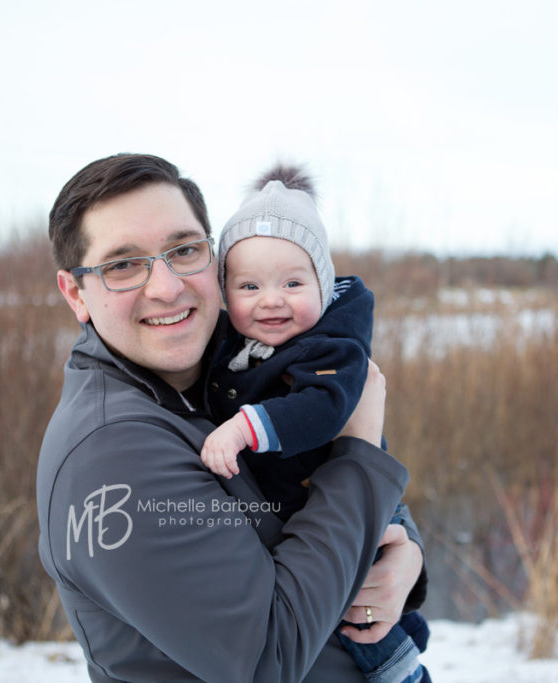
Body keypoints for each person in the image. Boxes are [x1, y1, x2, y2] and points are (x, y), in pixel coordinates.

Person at [36, 153, 427, 682]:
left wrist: (403, 559)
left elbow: (317, 486)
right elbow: (267, 658)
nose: (167, 286)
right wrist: (360, 458)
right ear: (75, 292)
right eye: (122, 265)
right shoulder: (110, 455)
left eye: (184, 249)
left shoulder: (234, 361)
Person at [200, 164, 430, 683]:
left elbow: (322, 409)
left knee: (361, 591)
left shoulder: (334, 347)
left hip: (340, 493)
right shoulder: (232, 344)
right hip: (302, 505)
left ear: (323, 286)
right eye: (250, 285)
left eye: (293, 282)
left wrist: (243, 427)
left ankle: (396, 664)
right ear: (224, 292)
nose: (271, 298)